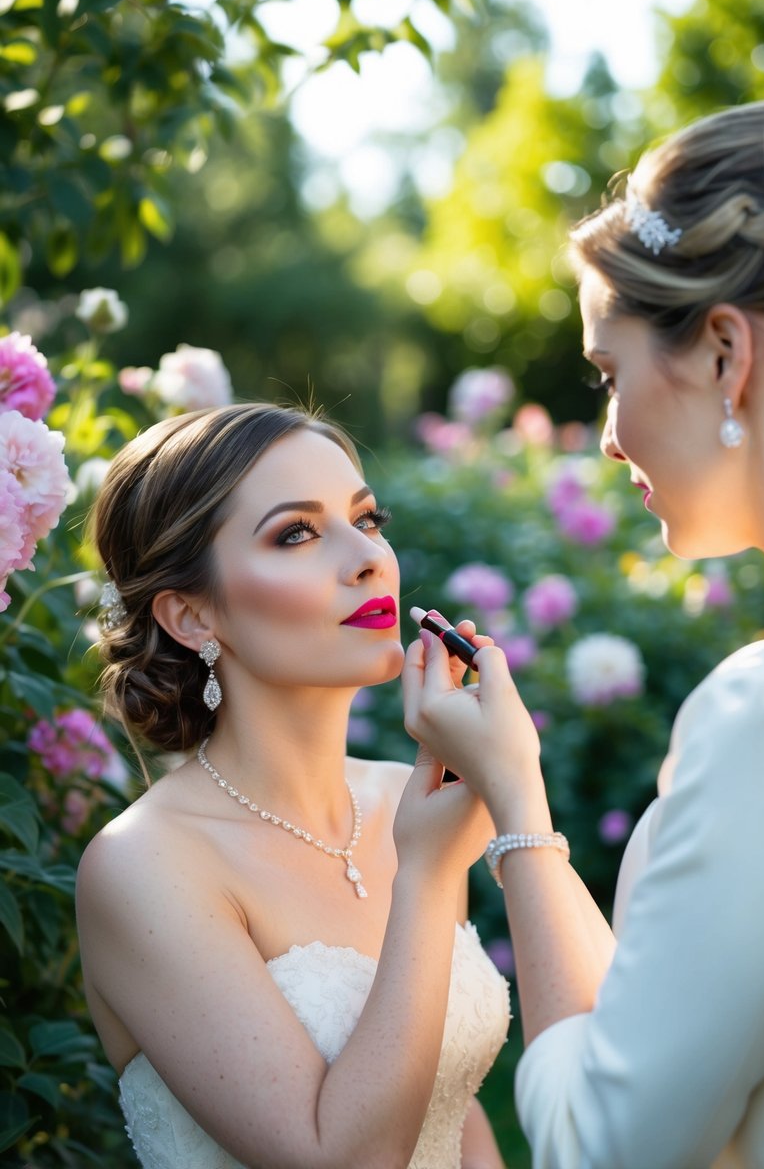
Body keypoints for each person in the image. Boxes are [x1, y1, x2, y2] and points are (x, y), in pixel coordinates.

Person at [401, 97, 764, 1169]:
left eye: (608, 372)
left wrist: (513, 814)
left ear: (725, 352)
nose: (605, 436)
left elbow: (606, 1147)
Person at [75, 402, 510, 1169]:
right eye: (296, 534)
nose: (368, 558)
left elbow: (450, 1099)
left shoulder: (404, 803)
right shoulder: (145, 866)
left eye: (367, 520)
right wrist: (430, 873)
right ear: (192, 615)